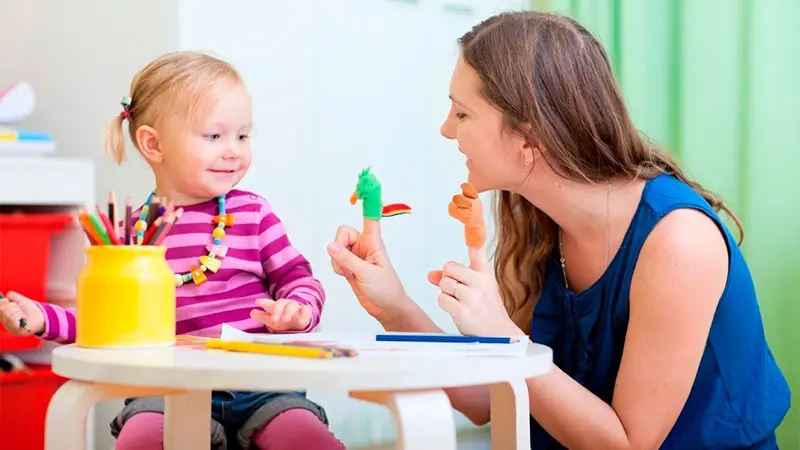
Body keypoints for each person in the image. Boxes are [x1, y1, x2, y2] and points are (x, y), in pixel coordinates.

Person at [326, 11, 790, 450]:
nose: (447, 131)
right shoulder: (538, 220)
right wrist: (394, 305)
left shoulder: (679, 242)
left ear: (530, 136)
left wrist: (506, 337)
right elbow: (486, 400)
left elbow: (627, 443)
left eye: (462, 114)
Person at [0, 51, 345, 450]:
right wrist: (41, 318)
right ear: (153, 144)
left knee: (305, 439)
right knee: (141, 440)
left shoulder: (253, 213)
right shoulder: (132, 235)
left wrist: (297, 311)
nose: (234, 150)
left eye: (243, 135)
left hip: (265, 387)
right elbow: (104, 322)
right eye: (214, 136)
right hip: (165, 392)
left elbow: (299, 280)